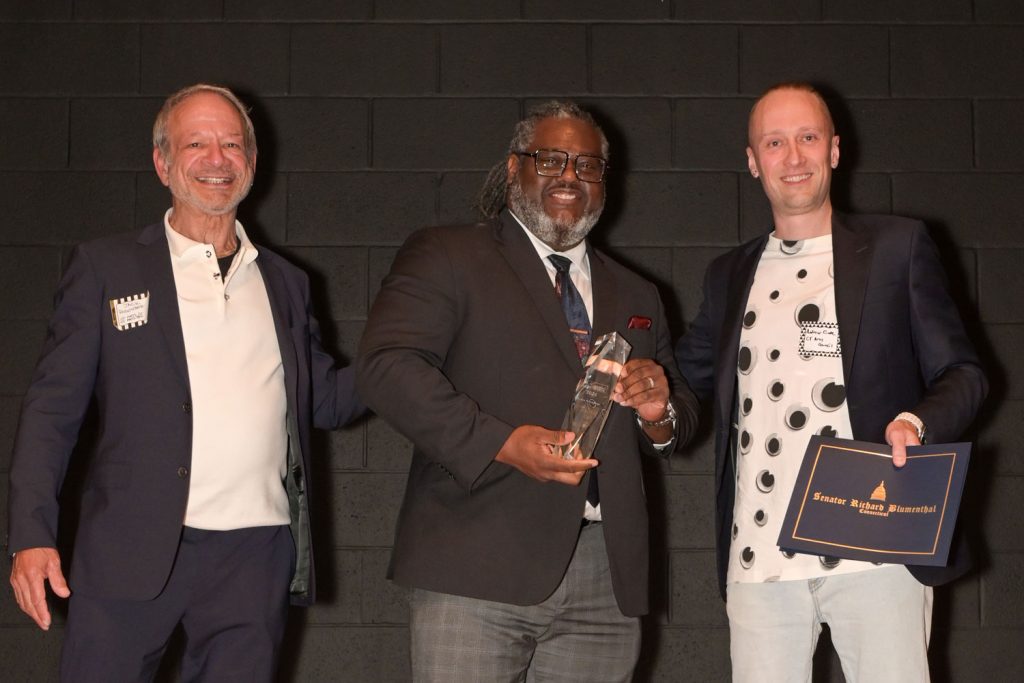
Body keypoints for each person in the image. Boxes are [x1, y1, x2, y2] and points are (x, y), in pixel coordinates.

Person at [6, 83, 364, 681]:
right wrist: (30, 534)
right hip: (129, 549)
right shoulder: (107, 267)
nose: (216, 160)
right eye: (195, 143)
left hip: (254, 555)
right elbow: (51, 412)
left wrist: (407, 357)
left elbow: (324, 400)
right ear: (162, 162)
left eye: (231, 144)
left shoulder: (286, 284)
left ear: (251, 163)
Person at [356, 101, 699, 682]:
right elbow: (386, 367)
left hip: (603, 577)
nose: (570, 175)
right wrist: (502, 443)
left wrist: (658, 411)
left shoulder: (638, 292)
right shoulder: (447, 253)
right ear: (515, 169)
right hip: (474, 564)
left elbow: (680, 417)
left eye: (587, 165)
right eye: (550, 159)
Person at [674, 82, 988, 681]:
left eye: (808, 138)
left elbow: (964, 374)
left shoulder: (898, 247)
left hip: (877, 546)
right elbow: (684, 390)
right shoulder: (728, 274)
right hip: (758, 559)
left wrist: (916, 421)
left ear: (835, 150)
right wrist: (647, 398)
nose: (793, 157)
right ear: (752, 160)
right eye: (774, 142)